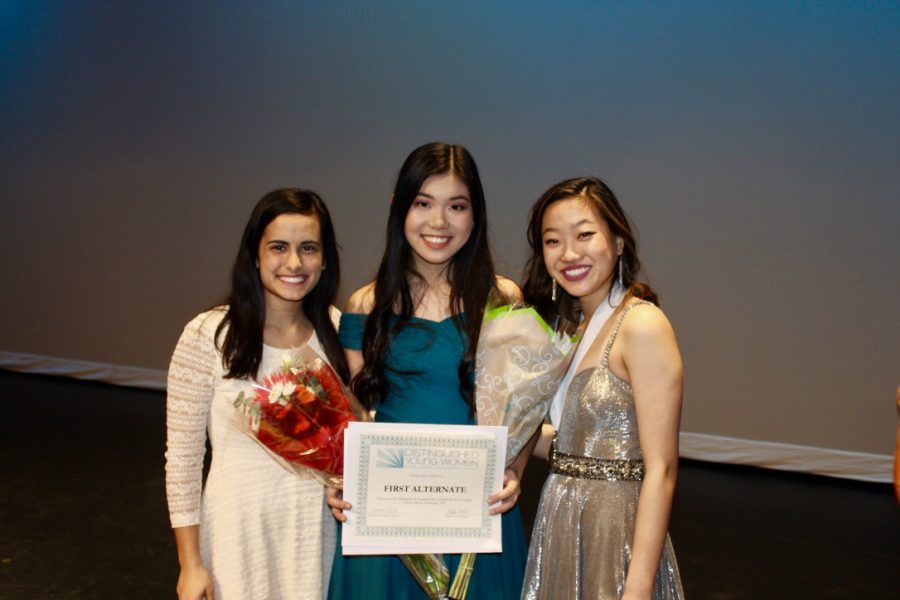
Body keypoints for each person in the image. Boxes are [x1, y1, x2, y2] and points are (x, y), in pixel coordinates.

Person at [326, 142, 528, 599]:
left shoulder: (502, 299)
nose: (439, 223)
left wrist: (514, 468)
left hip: (479, 507)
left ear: (474, 216)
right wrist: (341, 482)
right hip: (390, 512)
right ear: (400, 209)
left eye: (456, 206)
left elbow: (523, 408)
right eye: (423, 204)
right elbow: (356, 415)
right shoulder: (367, 304)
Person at [165, 188, 350, 600]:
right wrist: (190, 564)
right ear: (255, 254)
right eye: (278, 247)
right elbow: (182, 459)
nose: (294, 263)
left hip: (315, 532)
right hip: (237, 531)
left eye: (309, 248)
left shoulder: (338, 331)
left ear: (325, 259)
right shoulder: (208, 335)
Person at [520, 177, 685, 599]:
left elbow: (661, 469)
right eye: (553, 240)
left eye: (585, 234)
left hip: (615, 533)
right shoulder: (568, 329)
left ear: (618, 240)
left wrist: (638, 585)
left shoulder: (642, 324)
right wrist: (502, 420)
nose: (569, 253)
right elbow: (572, 446)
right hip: (559, 519)